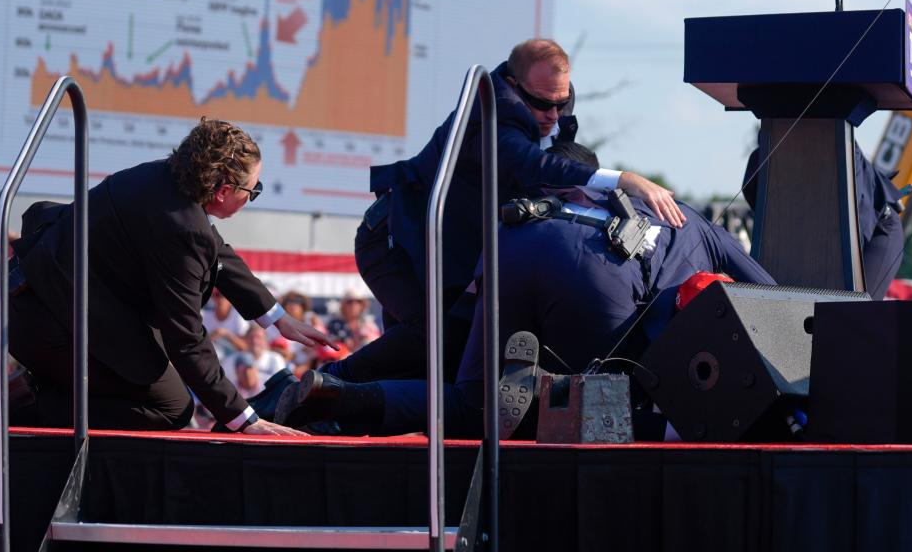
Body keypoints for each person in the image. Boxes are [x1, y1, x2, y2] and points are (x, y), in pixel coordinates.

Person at [275, 142, 774, 438]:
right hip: (607, 281)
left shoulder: (522, 208)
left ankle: (340, 392)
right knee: (601, 404)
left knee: (471, 395)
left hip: (509, 247)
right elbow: (768, 293)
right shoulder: (679, 213)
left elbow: (460, 320)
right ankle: (543, 397)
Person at [341, 38, 685, 384]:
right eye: (541, 103)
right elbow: (530, 164)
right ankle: (325, 389)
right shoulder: (494, 111)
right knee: (432, 337)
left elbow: (555, 158)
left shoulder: (549, 94)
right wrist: (620, 179)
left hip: (449, 250)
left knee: (446, 353)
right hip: (394, 241)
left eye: (561, 103)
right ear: (513, 86)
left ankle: (359, 407)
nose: (553, 114)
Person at [6, 116, 336, 434]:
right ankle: (22, 404)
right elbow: (186, 339)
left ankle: (33, 388)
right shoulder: (182, 229)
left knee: (152, 364)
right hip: (47, 323)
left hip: (40, 302)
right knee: (172, 407)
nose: (252, 196)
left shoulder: (165, 179)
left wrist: (278, 318)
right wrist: (245, 420)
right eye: (253, 189)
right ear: (222, 191)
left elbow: (217, 251)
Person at [742, 141, 904, 299]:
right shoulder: (763, 158)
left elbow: (853, 228)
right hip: (828, 232)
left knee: (856, 312)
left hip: (880, 228)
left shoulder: (845, 149)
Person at [223, 325, 287, 395]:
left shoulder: (275, 359)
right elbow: (227, 387)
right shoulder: (231, 360)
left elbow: (281, 385)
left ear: (265, 341)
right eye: (251, 338)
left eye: (258, 338)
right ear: (245, 340)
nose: (254, 341)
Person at [326, 288, 381, 352]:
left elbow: (377, 345)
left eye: (358, 301)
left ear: (362, 306)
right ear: (343, 305)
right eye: (350, 301)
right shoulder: (334, 324)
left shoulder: (369, 325)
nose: (354, 305)